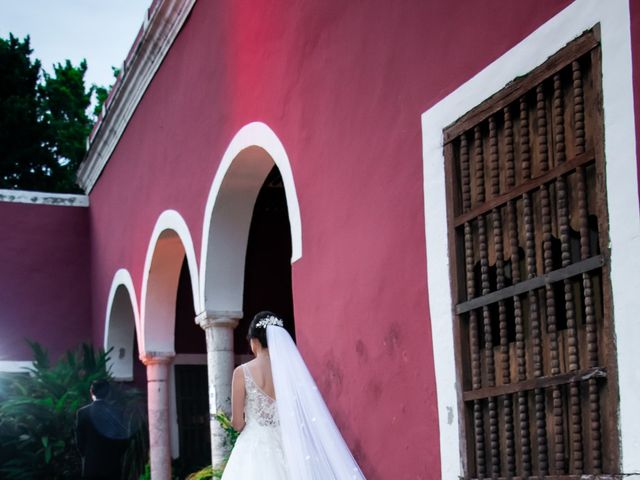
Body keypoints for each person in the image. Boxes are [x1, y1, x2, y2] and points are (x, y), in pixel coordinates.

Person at [221, 311, 366, 479]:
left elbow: (238, 423)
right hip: (291, 444)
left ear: (254, 341)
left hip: (255, 446)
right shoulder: (291, 373)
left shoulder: (242, 372)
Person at [75, 380, 129, 479]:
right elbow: (123, 441)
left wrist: (88, 455)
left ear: (91, 392)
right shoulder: (117, 412)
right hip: (112, 466)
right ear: (108, 393)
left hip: (91, 466)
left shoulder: (82, 413)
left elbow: (80, 442)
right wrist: (115, 457)